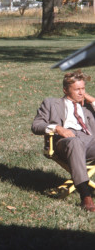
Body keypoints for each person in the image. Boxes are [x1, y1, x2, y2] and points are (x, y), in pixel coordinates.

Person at [32, 70, 95, 212]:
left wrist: (91, 99)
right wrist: (58, 128)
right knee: (75, 142)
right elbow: (36, 125)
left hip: (89, 141)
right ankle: (86, 196)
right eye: (77, 89)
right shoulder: (51, 103)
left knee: (79, 142)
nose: (81, 93)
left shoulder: (87, 105)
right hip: (64, 142)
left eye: (83, 89)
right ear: (65, 90)